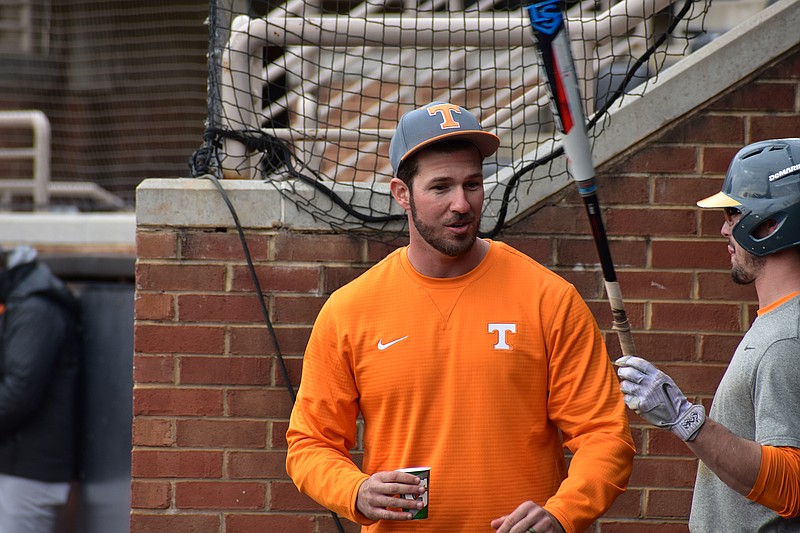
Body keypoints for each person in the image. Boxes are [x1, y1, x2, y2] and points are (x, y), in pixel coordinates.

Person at [286, 101, 635, 533]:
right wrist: (354, 490)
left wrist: (562, 513)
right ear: (401, 193)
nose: (461, 204)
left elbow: (606, 435)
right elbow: (310, 443)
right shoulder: (349, 310)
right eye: (440, 187)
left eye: (473, 184)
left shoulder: (548, 298)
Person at [616, 138, 800, 531]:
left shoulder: (788, 338)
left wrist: (685, 420)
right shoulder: (779, 321)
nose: (723, 230)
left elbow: (792, 485)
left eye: (732, 214)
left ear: (770, 223)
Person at [0, 245, 83, 532]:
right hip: (22, 467)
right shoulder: (26, 297)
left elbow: (20, 391)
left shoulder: (35, 307)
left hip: (30, 472)